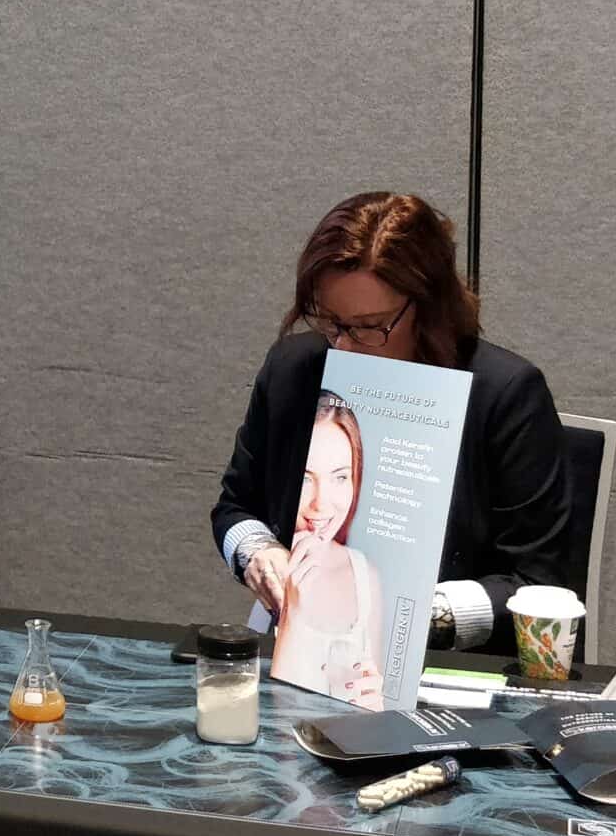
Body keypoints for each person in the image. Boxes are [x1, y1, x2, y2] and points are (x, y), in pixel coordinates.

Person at [211, 191, 571, 655]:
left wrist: (417, 613)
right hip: (301, 647)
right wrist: (259, 554)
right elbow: (234, 506)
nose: (344, 346)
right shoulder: (293, 370)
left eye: (369, 326)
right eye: (330, 322)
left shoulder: (505, 394)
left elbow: (536, 583)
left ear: (428, 309)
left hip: (450, 663)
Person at [267, 392, 385, 708]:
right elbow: (269, 709)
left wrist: (373, 707)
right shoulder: (266, 562)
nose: (322, 504)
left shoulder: (365, 576)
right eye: (305, 479)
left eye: (340, 477)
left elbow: (369, 705)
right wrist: (293, 612)